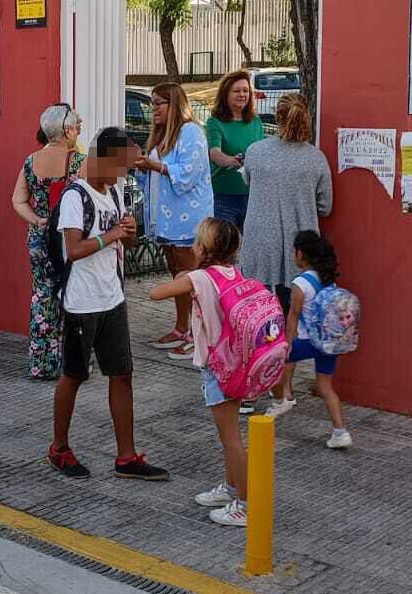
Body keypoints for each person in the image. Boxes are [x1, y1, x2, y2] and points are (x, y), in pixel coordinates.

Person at [46, 126, 168, 482]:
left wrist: (126, 235)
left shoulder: (113, 194)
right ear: (103, 158)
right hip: (81, 302)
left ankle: (127, 456)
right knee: (73, 374)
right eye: (122, 166)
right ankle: (59, 448)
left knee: (122, 374)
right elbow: (74, 249)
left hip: (112, 297)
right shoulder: (75, 196)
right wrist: (113, 234)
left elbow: (120, 247)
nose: (124, 174)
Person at [151, 217, 257, 524]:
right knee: (230, 434)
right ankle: (231, 487)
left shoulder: (198, 280)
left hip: (216, 367)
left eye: (197, 242)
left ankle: (247, 505)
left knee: (231, 438)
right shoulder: (231, 272)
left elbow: (155, 293)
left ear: (204, 249)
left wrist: (185, 275)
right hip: (236, 362)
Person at [134, 82, 211, 360]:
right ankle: (182, 327)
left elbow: (190, 172)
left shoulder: (191, 131)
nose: (153, 108)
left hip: (186, 219)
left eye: (159, 103)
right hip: (166, 219)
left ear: (174, 104)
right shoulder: (161, 135)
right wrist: (140, 166)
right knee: (176, 274)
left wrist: (154, 165)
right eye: (152, 103)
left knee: (192, 277)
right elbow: (154, 176)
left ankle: (200, 333)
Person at [11, 102, 86, 379]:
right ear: (66, 131)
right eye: (77, 125)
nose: (79, 129)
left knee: (43, 295)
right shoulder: (80, 162)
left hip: (40, 238)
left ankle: (42, 363)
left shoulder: (31, 161)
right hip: (71, 238)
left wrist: (38, 220)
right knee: (74, 295)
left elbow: (17, 200)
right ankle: (73, 363)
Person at [239, 94, 332, 312]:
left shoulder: (255, 151)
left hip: (260, 240)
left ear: (277, 116)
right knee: (294, 310)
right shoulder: (316, 158)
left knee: (259, 309)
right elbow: (325, 206)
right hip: (300, 245)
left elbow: (248, 182)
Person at [267, 230, 352, 448]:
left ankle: (280, 400)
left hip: (306, 340)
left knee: (275, 364)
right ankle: (340, 432)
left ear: (300, 254)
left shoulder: (300, 283)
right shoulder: (328, 278)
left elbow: (293, 315)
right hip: (328, 342)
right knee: (325, 386)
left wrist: (286, 343)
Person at [205, 71, 265, 230]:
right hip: (223, 197)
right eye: (236, 91)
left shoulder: (256, 122)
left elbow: (262, 153)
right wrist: (232, 161)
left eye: (245, 91)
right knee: (225, 248)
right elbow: (215, 153)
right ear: (225, 94)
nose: (242, 94)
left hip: (252, 196)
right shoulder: (214, 123)